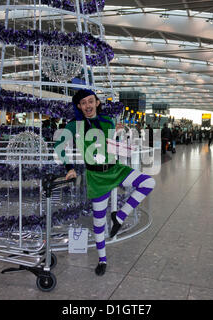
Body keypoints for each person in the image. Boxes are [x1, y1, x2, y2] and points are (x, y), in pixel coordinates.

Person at [55, 89, 156, 276]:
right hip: (96, 178)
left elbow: (111, 144)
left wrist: (118, 134)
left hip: (115, 170)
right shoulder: (74, 125)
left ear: (97, 102)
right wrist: (69, 167)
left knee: (148, 182)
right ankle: (102, 259)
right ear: (79, 106)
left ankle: (119, 216)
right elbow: (59, 145)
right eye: (83, 103)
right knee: (98, 222)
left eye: (90, 101)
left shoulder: (107, 120)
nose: (87, 105)